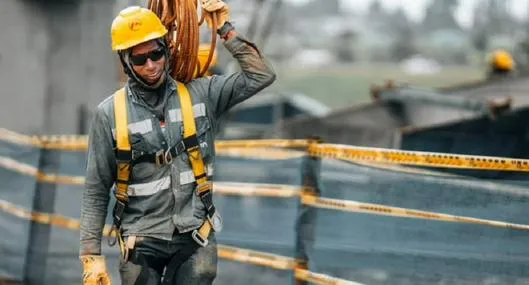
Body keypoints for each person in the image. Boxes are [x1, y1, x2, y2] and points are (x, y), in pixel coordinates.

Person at [79, 2, 276, 284]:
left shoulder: (202, 94)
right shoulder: (110, 114)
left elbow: (262, 75)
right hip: (141, 240)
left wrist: (225, 29)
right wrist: (91, 256)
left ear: (166, 49)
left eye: (156, 54)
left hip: (195, 235)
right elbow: (96, 189)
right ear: (125, 61)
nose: (150, 65)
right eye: (139, 59)